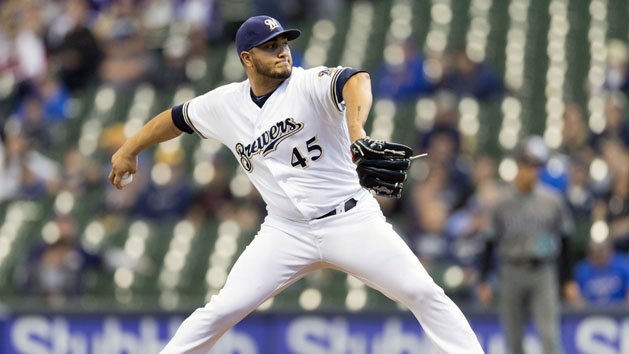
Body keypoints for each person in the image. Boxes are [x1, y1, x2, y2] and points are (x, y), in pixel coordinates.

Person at [109, 15, 483, 354]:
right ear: (246, 58)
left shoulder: (307, 83)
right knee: (222, 309)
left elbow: (356, 80)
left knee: (423, 292)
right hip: (285, 230)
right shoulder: (225, 104)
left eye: (284, 44)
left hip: (349, 219)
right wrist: (129, 148)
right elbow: (175, 118)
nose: (282, 52)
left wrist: (357, 133)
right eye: (270, 47)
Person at [477, 136, 574, 354]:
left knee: (549, 336)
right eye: (527, 166)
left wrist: (568, 279)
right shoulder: (501, 203)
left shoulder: (552, 200)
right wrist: (484, 279)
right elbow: (489, 242)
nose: (532, 172)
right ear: (518, 168)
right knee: (514, 339)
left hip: (543, 271)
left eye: (535, 167)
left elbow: (565, 240)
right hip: (511, 270)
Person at [566, 238, 629, 307]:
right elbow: (574, 293)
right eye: (596, 251)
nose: (599, 254)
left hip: (619, 312)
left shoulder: (622, 264)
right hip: (590, 314)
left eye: (602, 250)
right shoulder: (582, 269)